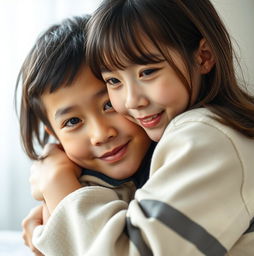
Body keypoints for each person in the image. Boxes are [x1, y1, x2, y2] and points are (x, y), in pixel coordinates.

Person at [22, 1, 254, 255]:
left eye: (147, 72)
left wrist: (57, 183)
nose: (132, 101)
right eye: (114, 80)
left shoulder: (208, 136)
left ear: (203, 56)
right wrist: (53, 223)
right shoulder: (157, 155)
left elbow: (128, 250)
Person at [16, 15, 154, 255]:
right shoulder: (72, 190)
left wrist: (55, 180)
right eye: (72, 121)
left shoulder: (175, 157)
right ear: (55, 135)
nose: (101, 134)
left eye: (109, 104)